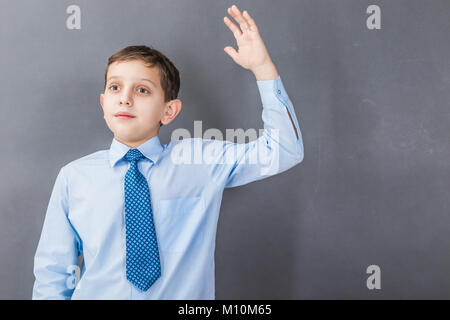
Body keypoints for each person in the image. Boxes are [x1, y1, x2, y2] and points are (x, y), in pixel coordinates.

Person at [32, 4, 304, 299]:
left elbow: (284, 149)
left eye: (142, 90)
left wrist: (263, 69)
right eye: (115, 87)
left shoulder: (200, 161)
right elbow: (53, 273)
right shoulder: (74, 177)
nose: (125, 99)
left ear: (169, 111)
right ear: (103, 103)